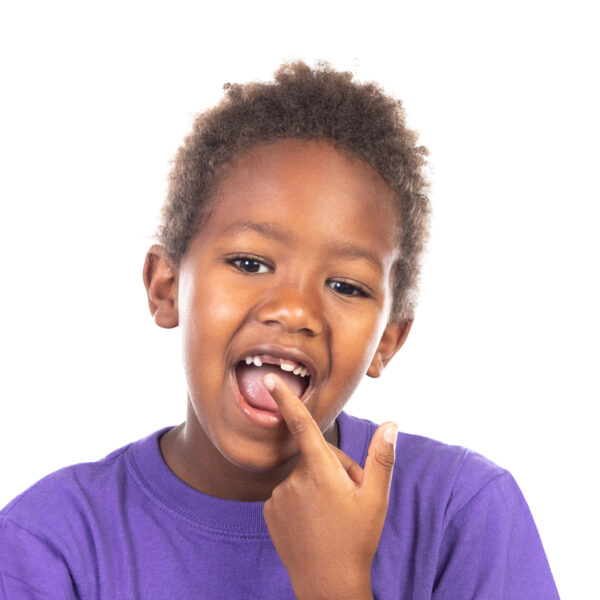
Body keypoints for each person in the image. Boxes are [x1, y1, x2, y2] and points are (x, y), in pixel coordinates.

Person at [0, 62, 559, 599]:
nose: (294, 311)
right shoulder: (48, 543)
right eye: (249, 263)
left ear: (387, 339)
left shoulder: (460, 513)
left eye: (346, 286)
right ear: (166, 286)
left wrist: (335, 585)